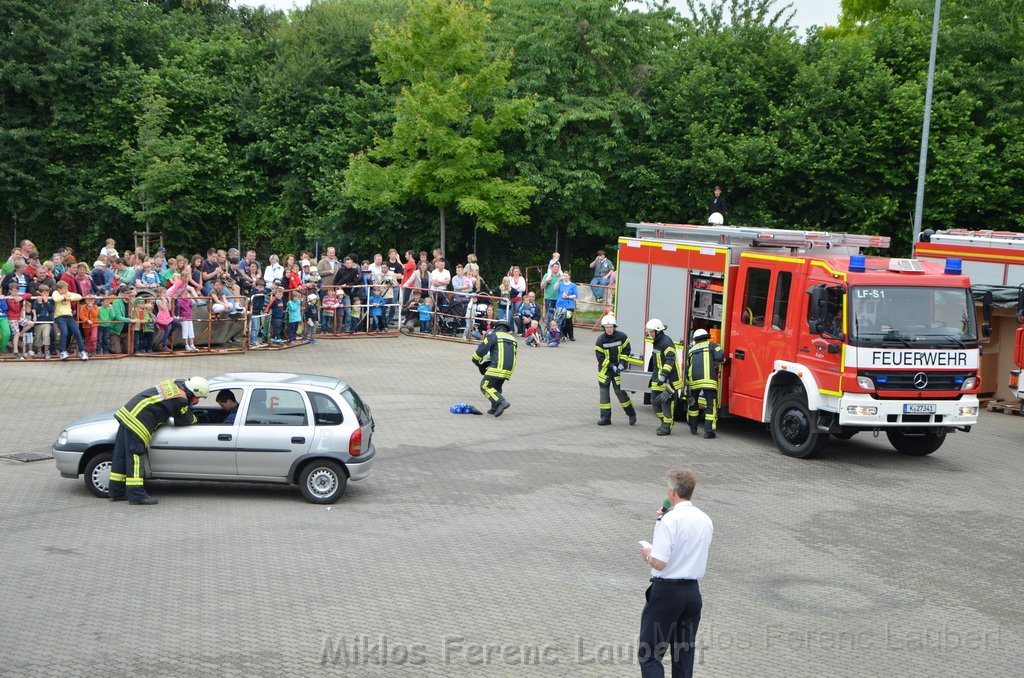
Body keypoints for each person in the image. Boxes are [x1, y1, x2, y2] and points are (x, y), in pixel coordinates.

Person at [638, 469, 714, 678]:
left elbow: (660, 563)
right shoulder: (705, 519)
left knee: (650, 654)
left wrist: (648, 554)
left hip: (667, 594)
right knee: (683, 655)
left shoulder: (670, 520)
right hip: (692, 593)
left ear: (672, 492)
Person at [108, 377, 209, 505]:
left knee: (120, 455)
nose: (197, 402)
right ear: (192, 392)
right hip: (138, 421)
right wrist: (197, 418)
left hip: (129, 413)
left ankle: (116, 491)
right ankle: (136, 495)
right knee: (135, 457)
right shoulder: (180, 400)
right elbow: (184, 420)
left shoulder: (177, 383)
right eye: (198, 398)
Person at [594, 314, 637, 426]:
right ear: (604, 328)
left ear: (614, 326)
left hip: (619, 371)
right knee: (604, 395)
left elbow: (626, 351)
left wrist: (622, 364)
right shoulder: (600, 340)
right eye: (607, 327)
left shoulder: (622, 337)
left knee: (620, 393)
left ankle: (631, 414)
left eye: (611, 327)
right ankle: (605, 418)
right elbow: (600, 358)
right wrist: (611, 366)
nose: (609, 329)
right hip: (605, 372)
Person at [685, 328, 726, 439]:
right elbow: (720, 357)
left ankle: (693, 428)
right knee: (710, 405)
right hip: (709, 382)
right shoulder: (711, 345)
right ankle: (708, 431)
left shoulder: (691, 350)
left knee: (693, 404)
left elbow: (687, 367)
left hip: (693, 382)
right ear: (706, 337)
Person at [472, 322, 517, 416]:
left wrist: (475, 359)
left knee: (485, 386)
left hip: (497, 365)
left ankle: (501, 402)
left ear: (496, 328)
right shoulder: (513, 338)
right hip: (509, 368)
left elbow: (482, 349)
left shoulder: (494, 335)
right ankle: (494, 407)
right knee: (495, 387)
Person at [646, 318, 682, 436]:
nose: (649, 334)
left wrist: (663, 375)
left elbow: (670, 360)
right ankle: (664, 422)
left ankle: (667, 426)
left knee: (666, 403)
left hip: (669, 379)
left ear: (658, 331)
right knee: (655, 402)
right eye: (649, 331)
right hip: (658, 379)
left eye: (651, 332)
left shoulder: (666, 342)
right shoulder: (657, 341)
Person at [53, 280, 88, 361]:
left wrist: (70, 298)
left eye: (66, 288)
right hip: (60, 316)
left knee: (77, 332)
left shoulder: (67, 293)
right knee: (64, 332)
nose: (66, 290)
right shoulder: (55, 292)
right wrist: (63, 297)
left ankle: (83, 351)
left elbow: (79, 296)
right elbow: (56, 299)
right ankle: (63, 351)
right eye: (65, 288)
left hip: (69, 316)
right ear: (59, 289)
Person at [555, 270, 578, 341]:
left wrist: (568, 297)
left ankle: (571, 335)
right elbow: (555, 288)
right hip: (560, 304)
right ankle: (563, 334)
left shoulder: (573, 285)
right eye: (564, 276)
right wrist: (558, 280)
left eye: (566, 276)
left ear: (569, 277)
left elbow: (576, 295)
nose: (565, 277)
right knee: (561, 319)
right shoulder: (561, 284)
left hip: (569, 305)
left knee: (568, 320)